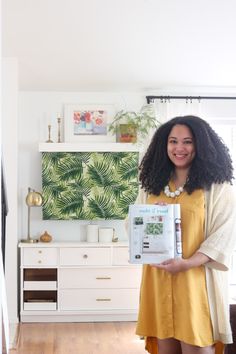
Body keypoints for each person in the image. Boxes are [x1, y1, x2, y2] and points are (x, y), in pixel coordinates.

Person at [135, 115, 236, 354]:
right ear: (164, 145)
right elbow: (134, 227)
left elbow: (224, 234)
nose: (179, 148)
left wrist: (188, 263)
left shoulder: (217, 187)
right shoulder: (152, 185)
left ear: (200, 145)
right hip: (158, 280)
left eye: (188, 141)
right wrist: (150, 217)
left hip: (195, 281)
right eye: (173, 141)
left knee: (197, 347)